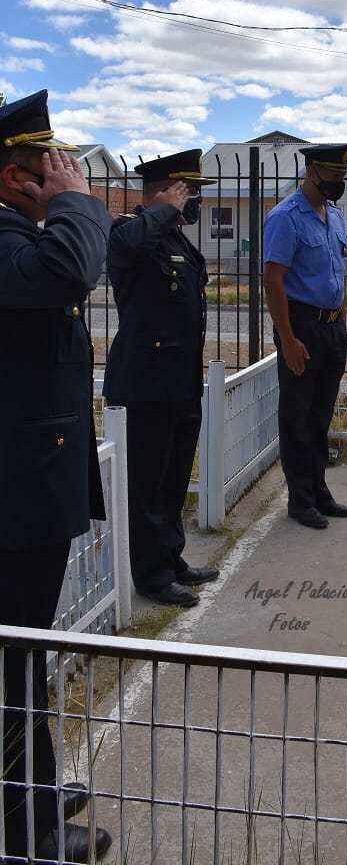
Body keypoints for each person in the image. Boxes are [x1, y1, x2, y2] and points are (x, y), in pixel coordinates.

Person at [0, 90, 113, 862]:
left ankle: (33, 791)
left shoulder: (17, 235)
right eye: (54, 166)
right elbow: (72, 267)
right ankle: (27, 835)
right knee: (14, 665)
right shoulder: (9, 238)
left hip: (26, 490)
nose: (68, 173)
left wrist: (65, 204)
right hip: (14, 501)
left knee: (24, 658)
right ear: (16, 179)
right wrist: (78, 204)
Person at [103, 149, 219, 608]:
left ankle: (171, 560)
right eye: (188, 192)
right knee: (147, 485)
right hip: (145, 384)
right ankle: (150, 576)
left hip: (180, 381)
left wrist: (168, 214)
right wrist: (162, 209)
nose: (193, 203)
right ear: (164, 192)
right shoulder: (129, 233)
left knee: (172, 480)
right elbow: (125, 245)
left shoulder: (177, 241)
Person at [263, 143, 347, 529]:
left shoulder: (334, 216)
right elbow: (273, 279)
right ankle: (300, 500)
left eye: (342, 176)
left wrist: (341, 319)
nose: (338, 182)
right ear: (312, 171)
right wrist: (287, 338)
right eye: (333, 176)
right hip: (301, 326)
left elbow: (336, 272)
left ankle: (319, 490)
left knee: (320, 415)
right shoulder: (285, 217)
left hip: (332, 327)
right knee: (297, 417)